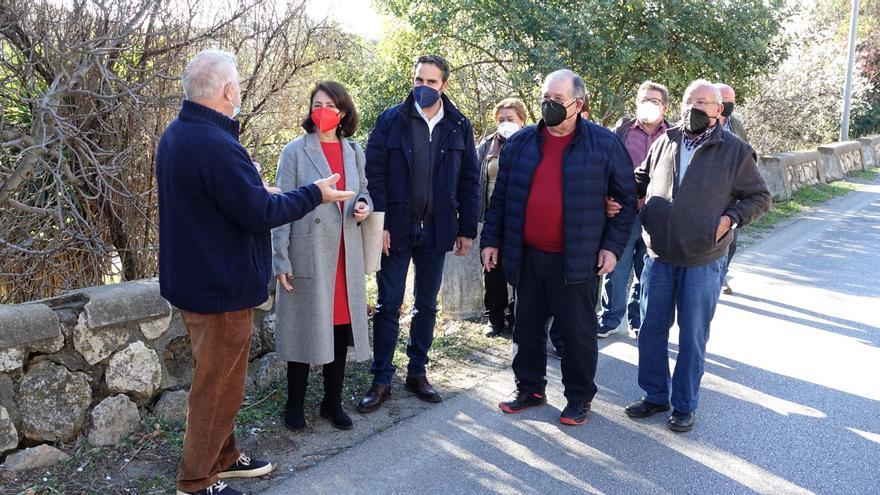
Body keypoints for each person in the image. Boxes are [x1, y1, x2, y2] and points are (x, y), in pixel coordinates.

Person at [157, 50, 353, 495]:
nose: (240, 92)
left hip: (199, 282)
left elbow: (217, 200)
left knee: (222, 382)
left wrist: (254, 189)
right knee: (216, 389)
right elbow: (260, 212)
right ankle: (196, 481)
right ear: (228, 91)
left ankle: (223, 458)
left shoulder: (180, 134)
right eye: (238, 85)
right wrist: (314, 194)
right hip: (219, 288)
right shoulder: (215, 144)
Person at [481, 69, 637, 426]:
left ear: (578, 105)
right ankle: (530, 389)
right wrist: (491, 240)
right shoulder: (521, 143)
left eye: (556, 100)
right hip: (528, 254)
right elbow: (501, 199)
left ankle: (579, 398)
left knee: (577, 334)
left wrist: (612, 248)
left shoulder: (603, 144)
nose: (547, 105)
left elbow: (626, 202)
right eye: (544, 98)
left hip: (577, 258)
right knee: (527, 328)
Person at [624, 80, 770, 432]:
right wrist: (638, 204)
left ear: (719, 110)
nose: (696, 108)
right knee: (650, 330)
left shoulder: (735, 150)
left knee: (692, 335)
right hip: (659, 255)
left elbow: (760, 197)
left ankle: (684, 404)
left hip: (704, 258)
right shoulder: (665, 141)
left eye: (704, 102)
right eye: (690, 101)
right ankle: (655, 395)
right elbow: (640, 178)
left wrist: (728, 220)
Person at [359, 54, 480, 412]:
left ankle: (417, 372)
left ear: (443, 85)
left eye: (431, 82)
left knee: (427, 304)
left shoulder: (459, 125)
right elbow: (373, 174)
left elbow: (470, 179)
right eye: (418, 80)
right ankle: (382, 378)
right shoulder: (390, 120)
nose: (423, 87)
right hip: (395, 230)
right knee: (388, 304)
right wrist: (377, 224)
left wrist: (467, 229)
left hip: (437, 230)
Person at [271, 81, 372, 432]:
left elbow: (365, 191)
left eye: (330, 104)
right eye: (317, 103)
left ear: (342, 112)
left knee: (339, 329)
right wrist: (280, 259)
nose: (322, 110)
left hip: (346, 253)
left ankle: (332, 401)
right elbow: (280, 205)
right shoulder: (295, 151)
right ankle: (294, 403)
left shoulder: (354, 151)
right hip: (308, 251)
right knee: (304, 327)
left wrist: (363, 204)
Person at [598, 81, 672, 339]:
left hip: (657, 214)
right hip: (621, 211)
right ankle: (608, 318)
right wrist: (605, 198)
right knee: (615, 266)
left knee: (647, 269)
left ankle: (638, 320)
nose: (647, 105)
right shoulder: (621, 130)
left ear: (664, 106)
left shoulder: (674, 135)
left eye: (653, 100)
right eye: (643, 99)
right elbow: (602, 168)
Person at [477, 98, 527, 337]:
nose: (506, 123)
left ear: (522, 120)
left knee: (521, 271)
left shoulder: (531, 143)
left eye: (511, 119)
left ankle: (517, 316)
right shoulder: (486, 146)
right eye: (501, 120)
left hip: (523, 219)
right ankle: (494, 318)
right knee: (492, 269)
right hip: (492, 218)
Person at [715, 83, 748, 295]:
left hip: (731, 193)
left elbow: (748, 154)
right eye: (726, 101)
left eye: (732, 102)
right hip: (707, 191)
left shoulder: (736, 125)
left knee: (731, 241)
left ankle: (719, 276)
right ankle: (711, 278)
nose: (729, 106)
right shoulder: (698, 123)